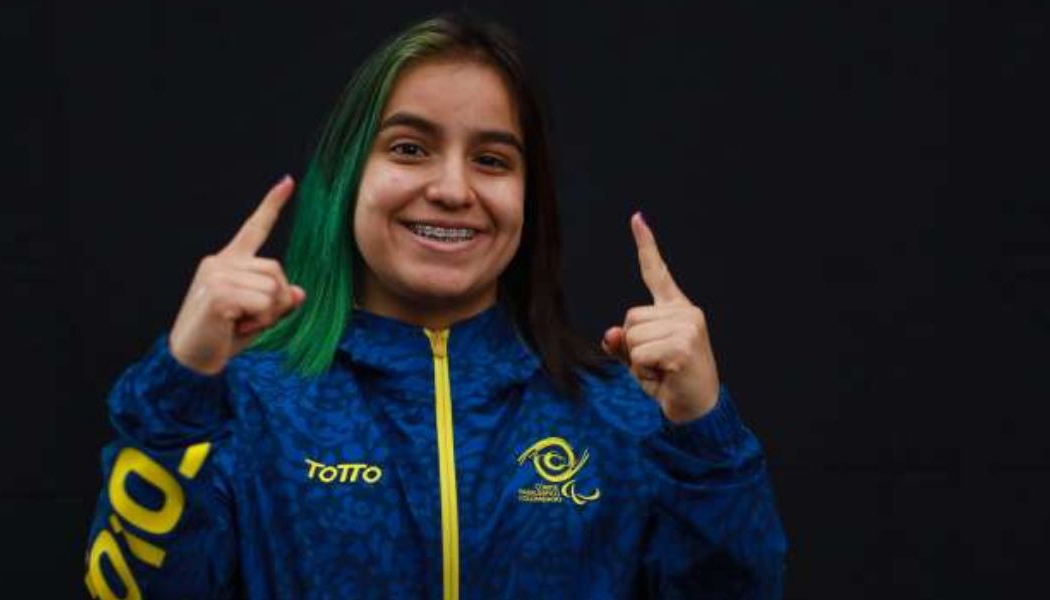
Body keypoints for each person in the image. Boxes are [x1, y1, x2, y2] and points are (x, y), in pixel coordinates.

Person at [83, 13, 786, 600]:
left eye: (492, 159)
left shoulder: (620, 414)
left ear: (529, 198)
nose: (452, 189)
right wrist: (180, 387)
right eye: (410, 148)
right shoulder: (245, 402)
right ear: (348, 174)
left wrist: (704, 433)